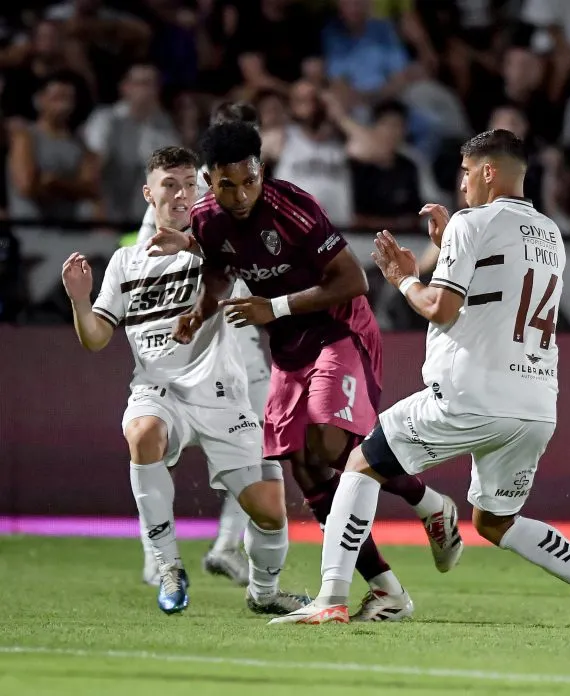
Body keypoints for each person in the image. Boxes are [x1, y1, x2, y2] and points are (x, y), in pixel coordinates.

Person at [269, 129, 570, 627]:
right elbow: (496, 289)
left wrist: (405, 278)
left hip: (470, 395)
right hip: (536, 405)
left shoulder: (472, 221)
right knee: (495, 521)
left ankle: (332, 597)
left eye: (464, 173)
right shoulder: (550, 232)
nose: (460, 186)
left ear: (487, 172)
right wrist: (449, 246)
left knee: (359, 464)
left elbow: (440, 307)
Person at [146, 122, 463, 622]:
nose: (241, 194)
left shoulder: (291, 207)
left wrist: (272, 308)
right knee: (306, 467)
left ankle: (428, 504)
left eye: (249, 180)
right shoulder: (207, 220)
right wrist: (199, 312)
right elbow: (219, 273)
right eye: (227, 184)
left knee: (327, 447)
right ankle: (386, 587)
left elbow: (352, 279)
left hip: (340, 334)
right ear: (210, 181)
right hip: (290, 349)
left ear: (261, 170)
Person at [61, 146, 309, 616]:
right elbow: (95, 338)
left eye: (188, 185)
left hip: (222, 397)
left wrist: (198, 244)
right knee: (142, 432)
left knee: (270, 512)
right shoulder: (125, 263)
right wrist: (79, 300)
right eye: (169, 185)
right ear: (148, 192)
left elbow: (257, 253)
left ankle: (265, 593)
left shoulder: (221, 241)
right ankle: (168, 566)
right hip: (159, 391)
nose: (180, 194)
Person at [133, 102, 266, 589]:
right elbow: (151, 261)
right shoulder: (186, 194)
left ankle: (228, 546)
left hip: (239, 334)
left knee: (257, 446)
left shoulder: (252, 195)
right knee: (155, 446)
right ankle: (159, 555)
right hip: (187, 335)